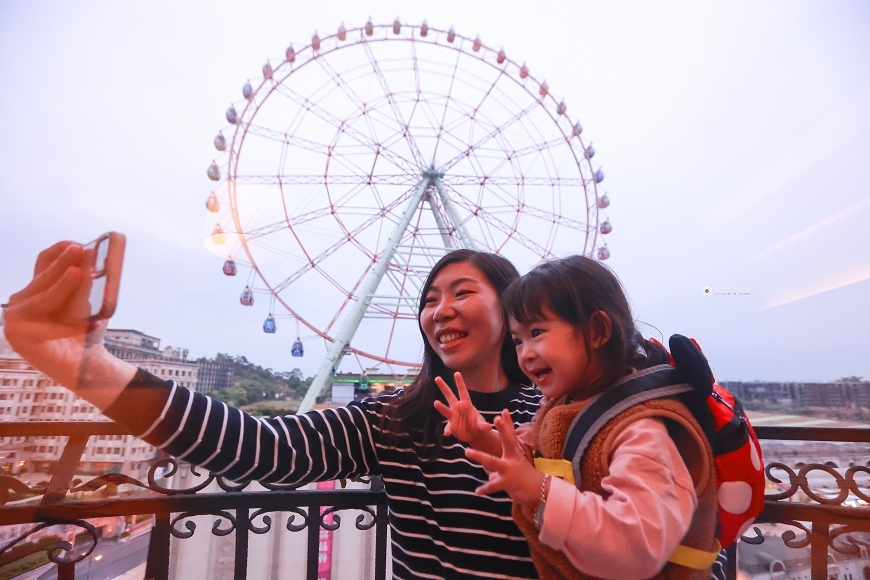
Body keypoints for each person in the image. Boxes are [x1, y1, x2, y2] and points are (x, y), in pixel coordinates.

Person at [3, 242, 542, 579]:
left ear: (511, 306)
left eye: (462, 293)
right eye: (428, 300)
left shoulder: (557, 415)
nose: (440, 310)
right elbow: (263, 449)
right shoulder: (393, 419)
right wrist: (86, 367)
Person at [436, 255, 718, 580]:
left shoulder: (641, 428)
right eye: (517, 340)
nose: (524, 353)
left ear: (597, 330)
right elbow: (530, 456)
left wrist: (538, 490)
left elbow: (637, 548)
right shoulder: (564, 405)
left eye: (537, 332)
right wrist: (482, 436)